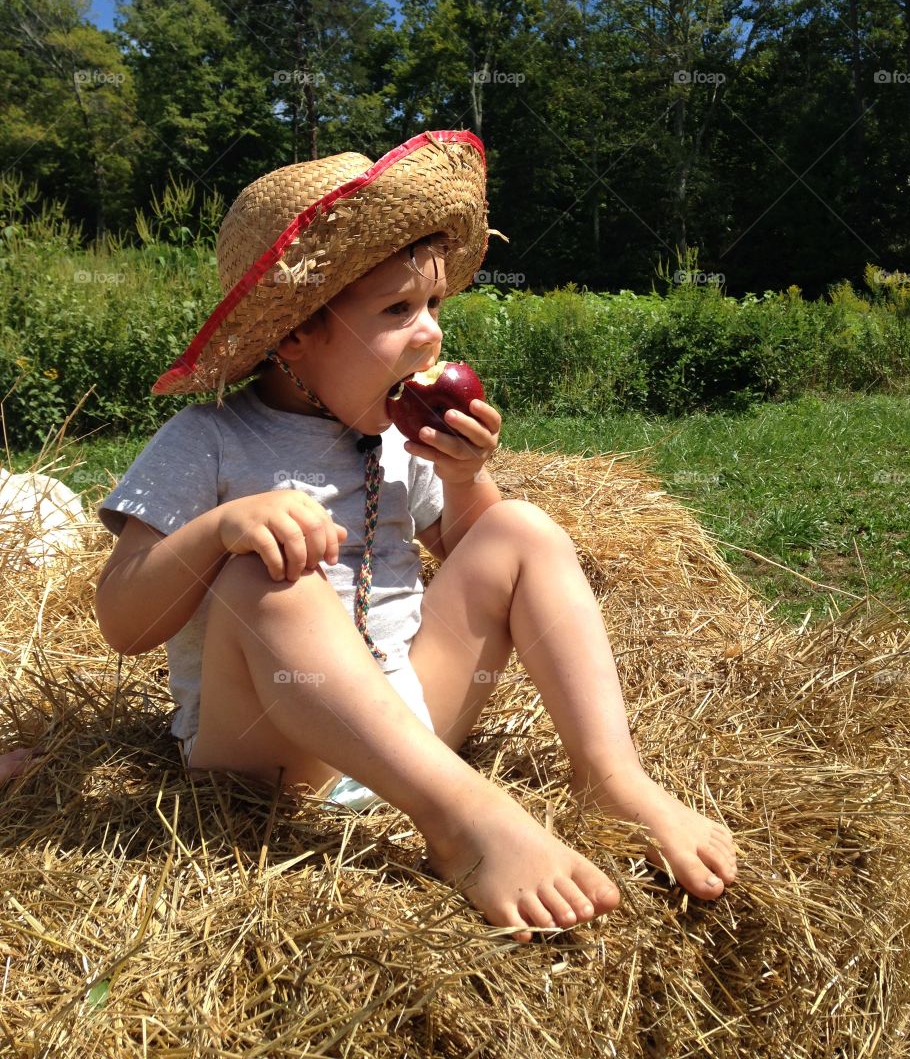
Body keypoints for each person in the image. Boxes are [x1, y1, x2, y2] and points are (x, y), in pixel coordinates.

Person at [92, 130, 737, 941]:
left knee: (521, 529)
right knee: (266, 582)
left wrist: (466, 481)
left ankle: (612, 777)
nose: (430, 333)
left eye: (434, 306)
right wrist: (225, 529)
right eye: (397, 311)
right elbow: (123, 624)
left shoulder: (401, 436)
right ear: (294, 335)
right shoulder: (210, 440)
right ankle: (465, 818)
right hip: (272, 756)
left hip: (412, 719)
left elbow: (474, 555)